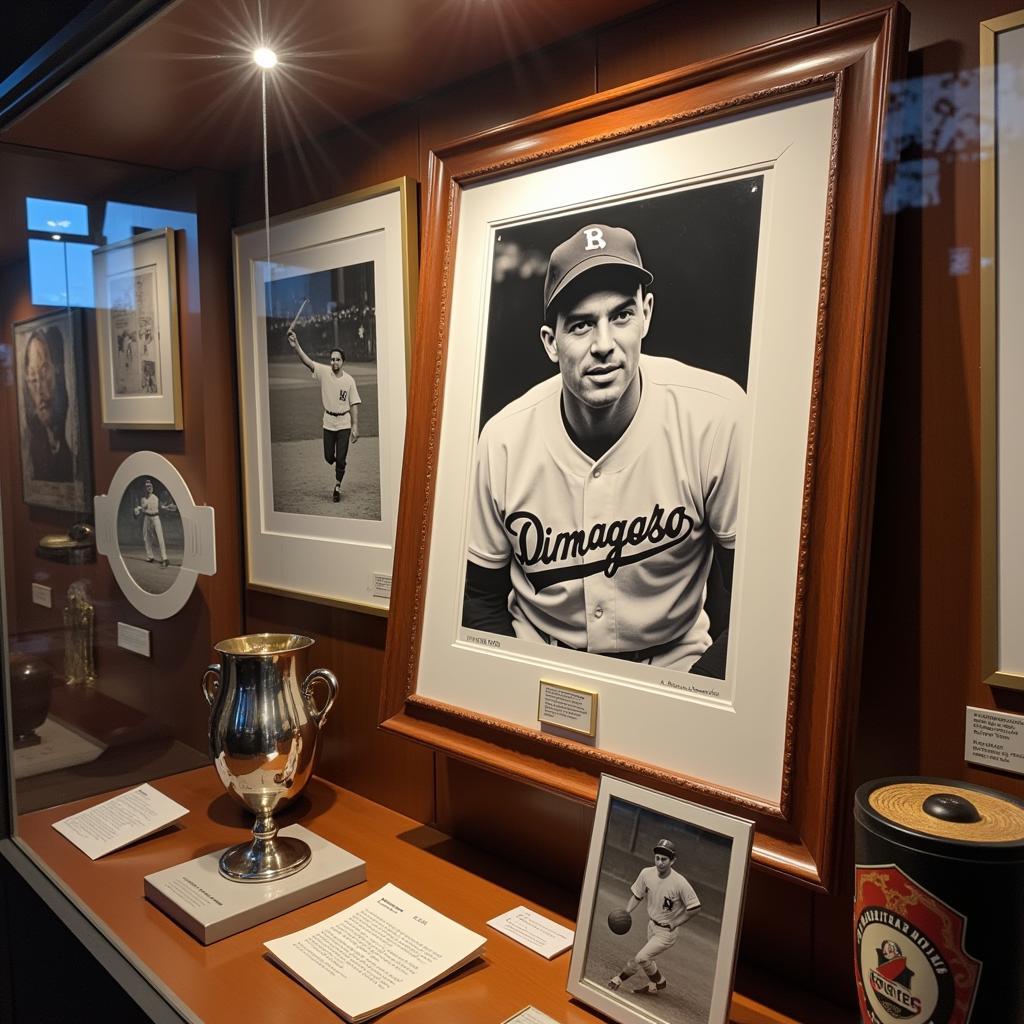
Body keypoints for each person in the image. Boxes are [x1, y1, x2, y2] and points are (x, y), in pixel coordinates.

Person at [462, 223, 746, 677]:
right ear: (551, 343)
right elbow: (479, 598)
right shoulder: (502, 440)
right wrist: (508, 683)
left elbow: (761, 600)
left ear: (647, 314)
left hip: (677, 665)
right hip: (538, 664)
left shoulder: (717, 416)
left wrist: (695, 702)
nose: (604, 345)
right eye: (580, 325)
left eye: (621, 316)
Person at [608, 838, 701, 996]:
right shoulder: (646, 873)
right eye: (657, 858)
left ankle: (618, 979)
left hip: (666, 933)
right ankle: (659, 983)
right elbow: (637, 895)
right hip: (651, 926)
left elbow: (695, 907)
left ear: (672, 861)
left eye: (664, 859)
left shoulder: (680, 883)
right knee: (648, 960)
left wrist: (676, 922)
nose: (659, 862)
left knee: (641, 957)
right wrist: (626, 912)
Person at [287, 329, 361, 502]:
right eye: (332, 359)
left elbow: (354, 404)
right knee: (329, 457)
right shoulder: (323, 372)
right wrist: (295, 345)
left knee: (340, 458)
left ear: (343, 362)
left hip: (344, 423)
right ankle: (339, 463)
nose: (334, 362)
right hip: (328, 422)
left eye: (338, 359)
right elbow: (306, 361)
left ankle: (337, 485)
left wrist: (355, 426)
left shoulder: (349, 381)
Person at [21, 325, 73, 483]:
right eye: (33, 378)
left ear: (58, 370)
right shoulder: (33, 452)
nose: (40, 389)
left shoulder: (69, 444)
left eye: (44, 373)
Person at [134, 479, 173, 567]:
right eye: (147, 487)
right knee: (146, 538)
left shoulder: (155, 498)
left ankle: (165, 558)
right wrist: (138, 510)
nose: (149, 488)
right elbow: (142, 509)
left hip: (155, 518)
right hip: (147, 518)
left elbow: (160, 507)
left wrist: (167, 507)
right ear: (145, 488)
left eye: (150, 486)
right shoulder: (143, 499)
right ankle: (150, 556)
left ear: (152, 488)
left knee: (160, 538)